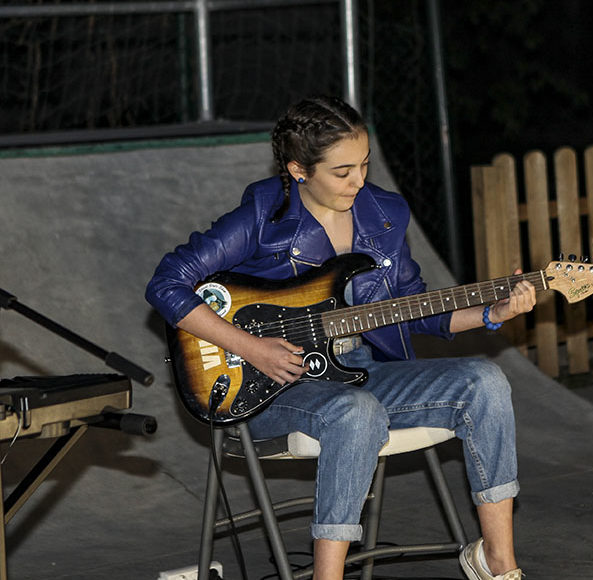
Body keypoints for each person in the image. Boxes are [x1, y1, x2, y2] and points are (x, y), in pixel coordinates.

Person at [146, 95, 535, 580]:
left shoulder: (384, 216)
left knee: (485, 381)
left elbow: (415, 309)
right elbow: (166, 284)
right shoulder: (263, 216)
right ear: (299, 170)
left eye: (365, 165)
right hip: (268, 387)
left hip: (358, 372)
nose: (359, 182)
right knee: (356, 411)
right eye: (342, 171)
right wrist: (252, 348)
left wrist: (493, 313)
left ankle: (497, 561)